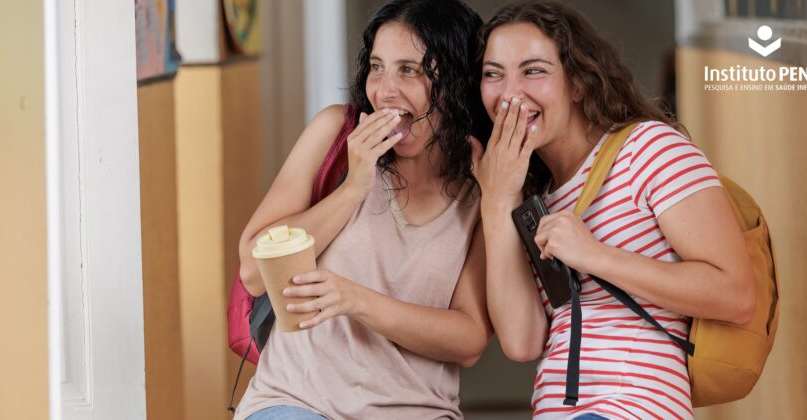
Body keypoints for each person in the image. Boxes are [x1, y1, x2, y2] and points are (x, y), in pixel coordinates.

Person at [469, 1, 756, 419]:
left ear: (579, 84)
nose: (510, 93)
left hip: (633, 406)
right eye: (493, 74)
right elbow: (522, 342)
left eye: (533, 70)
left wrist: (597, 256)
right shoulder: (534, 196)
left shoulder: (649, 148)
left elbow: (736, 294)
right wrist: (497, 203)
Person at [234, 1, 490, 419]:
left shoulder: (482, 186)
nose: (384, 90)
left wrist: (354, 299)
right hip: (297, 400)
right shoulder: (335, 131)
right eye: (377, 66)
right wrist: (353, 187)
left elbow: (469, 339)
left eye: (410, 69)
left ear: (459, 81)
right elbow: (252, 269)